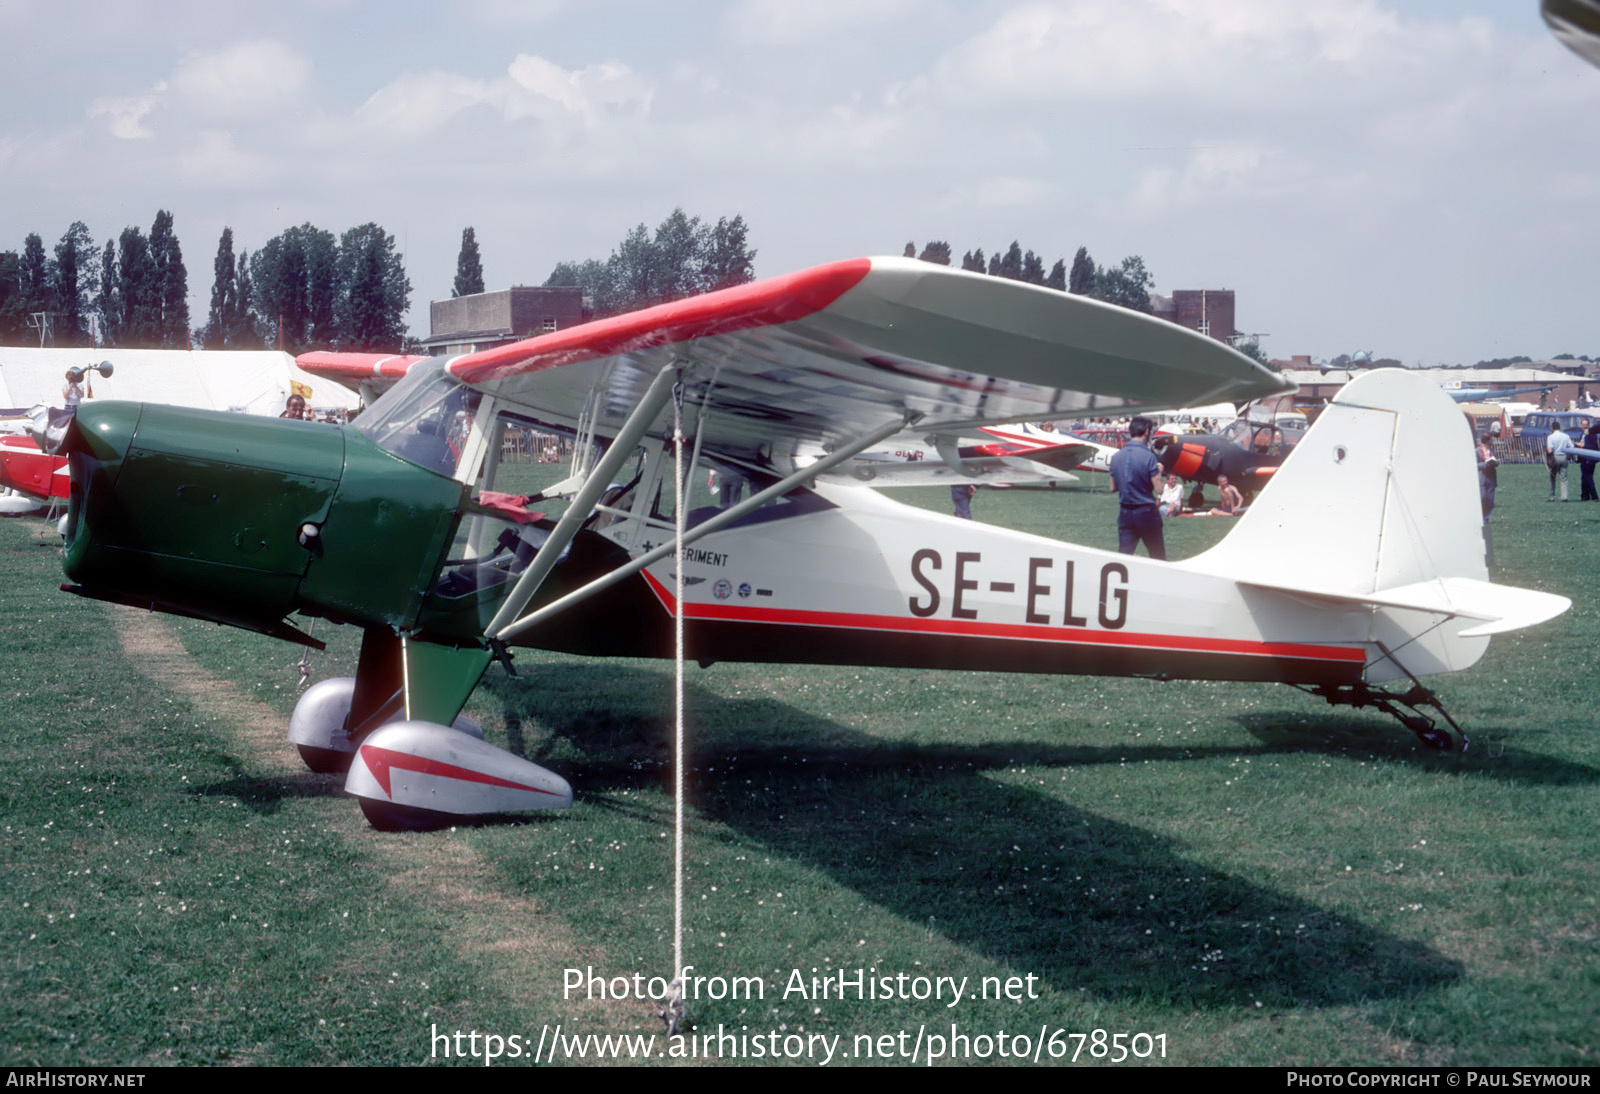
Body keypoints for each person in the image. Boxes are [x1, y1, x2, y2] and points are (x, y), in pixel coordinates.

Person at [1108, 416, 1164, 559]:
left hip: (1126, 512)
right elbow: (1159, 489)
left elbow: (1112, 487)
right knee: (1157, 556)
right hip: (1146, 512)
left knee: (1124, 557)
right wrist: (1160, 473)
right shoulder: (1149, 457)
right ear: (1146, 431)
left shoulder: (1116, 457)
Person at [1547, 423, 1574, 501]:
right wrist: (1568, 456)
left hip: (1555, 457)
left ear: (1552, 428)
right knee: (1563, 478)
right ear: (1560, 427)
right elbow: (1571, 446)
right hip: (1564, 457)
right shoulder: (1565, 436)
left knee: (1552, 477)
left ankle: (1551, 497)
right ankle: (1564, 497)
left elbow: (1550, 450)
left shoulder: (1550, 437)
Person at [1476, 432, 1499, 518]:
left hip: (1491, 477)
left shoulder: (1491, 450)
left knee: (1490, 501)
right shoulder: (1477, 451)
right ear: (1487, 440)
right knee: (1482, 498)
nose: (1493, 440)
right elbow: (1474, 465)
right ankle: (1481, 517)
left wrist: (1495, 462)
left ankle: (1485, 518)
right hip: (1482, 478)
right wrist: (1485, 464)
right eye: (1491, 439)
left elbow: (1496, 461)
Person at [1581, 422, 1600, 502]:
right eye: (1583, 424)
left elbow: (1592, 447)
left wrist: (1582, 446)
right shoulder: (1584, 434)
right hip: (1586, 458)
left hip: (1588, 458)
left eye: (1586, 424)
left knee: (1588, 477)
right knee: (1584, 477)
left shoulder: (1590, 434)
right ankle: (1585, 496)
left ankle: (1594, 496)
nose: (1584, 426)